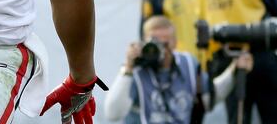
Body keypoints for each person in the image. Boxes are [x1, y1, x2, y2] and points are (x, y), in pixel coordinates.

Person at [104, 16, 253, 124]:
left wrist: (234, 70)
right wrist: (128, 68)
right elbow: (112, 113)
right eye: (155, 43)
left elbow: (209, 99)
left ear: (175, 42)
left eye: (165, 43)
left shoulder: (188, 64)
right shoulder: (136, 70)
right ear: (144, 42)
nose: (161, 49)